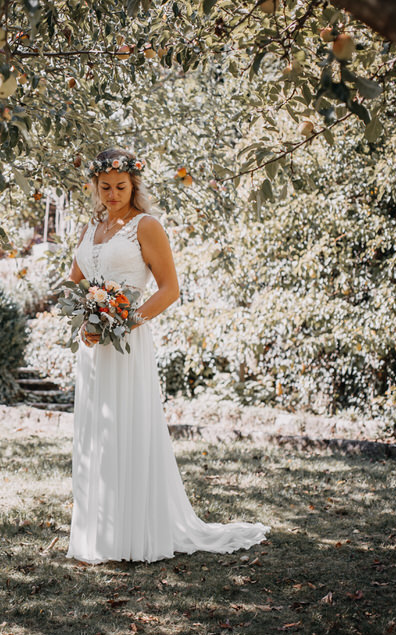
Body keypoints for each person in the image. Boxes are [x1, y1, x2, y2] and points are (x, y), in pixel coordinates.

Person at [65, 147, 270, 564]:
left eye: (121, 187)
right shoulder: (93, 225)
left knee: (128, 428)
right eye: (104, 187)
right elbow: (73, 281)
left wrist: (124, 320)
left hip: (127, 341)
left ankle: (135, 534)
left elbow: (169, 290)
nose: (112, 194)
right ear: (94, 186)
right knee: (98, 436)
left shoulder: (147, 226)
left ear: (134, 184)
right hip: (91, 347)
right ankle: (101, 533)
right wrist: (86, 317)